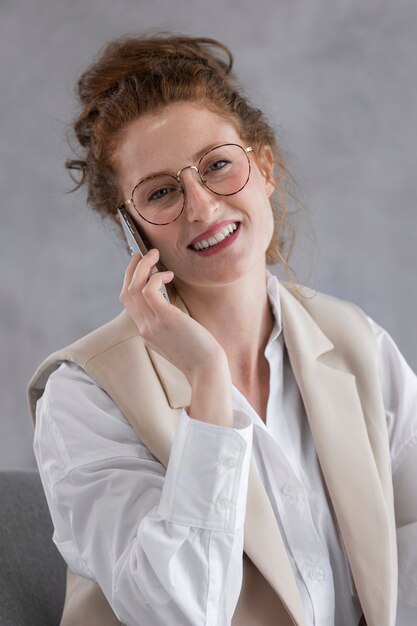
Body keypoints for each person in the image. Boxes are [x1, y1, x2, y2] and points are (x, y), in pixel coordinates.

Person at [27, 34, 417, 626]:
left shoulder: (356, 342)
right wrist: (207, 385)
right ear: (134, 229)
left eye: (217, 166)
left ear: (262, 167)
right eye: (161, 192)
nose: (202, 208)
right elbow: (179, 611)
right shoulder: (85, 396)